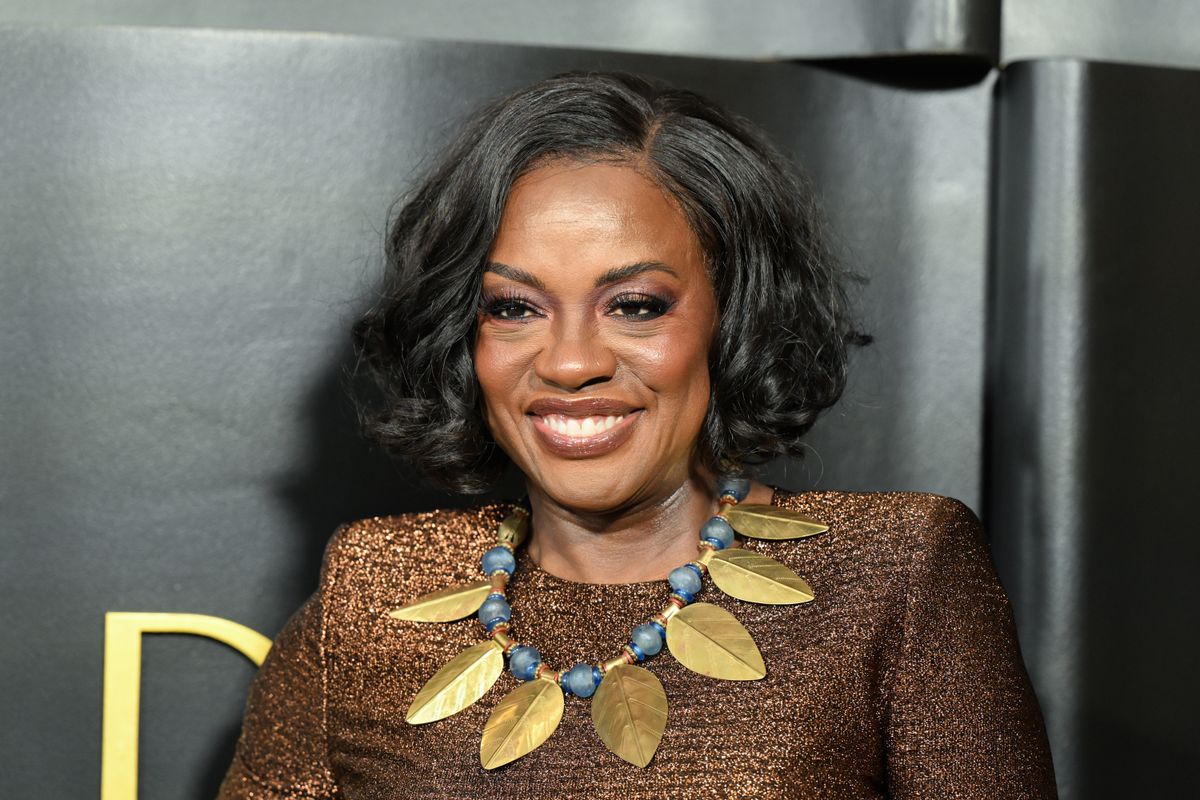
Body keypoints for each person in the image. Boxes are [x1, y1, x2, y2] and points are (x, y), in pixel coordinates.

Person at [217, 72, 1057, 799]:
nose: (572, 360)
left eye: (636, 305)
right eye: (514, 308)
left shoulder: (896, 574)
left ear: (733, 320)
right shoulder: (371, 595)